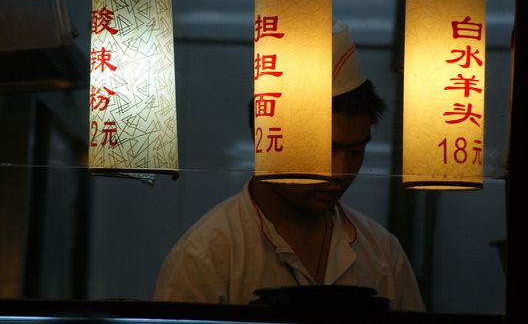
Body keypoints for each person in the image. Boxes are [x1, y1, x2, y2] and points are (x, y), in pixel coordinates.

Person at [153, 21, 425, 311]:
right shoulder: (207, 254)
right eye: (323, 150)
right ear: (269, 141)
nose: (339, 171)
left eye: (356, 150)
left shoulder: (383, 253)